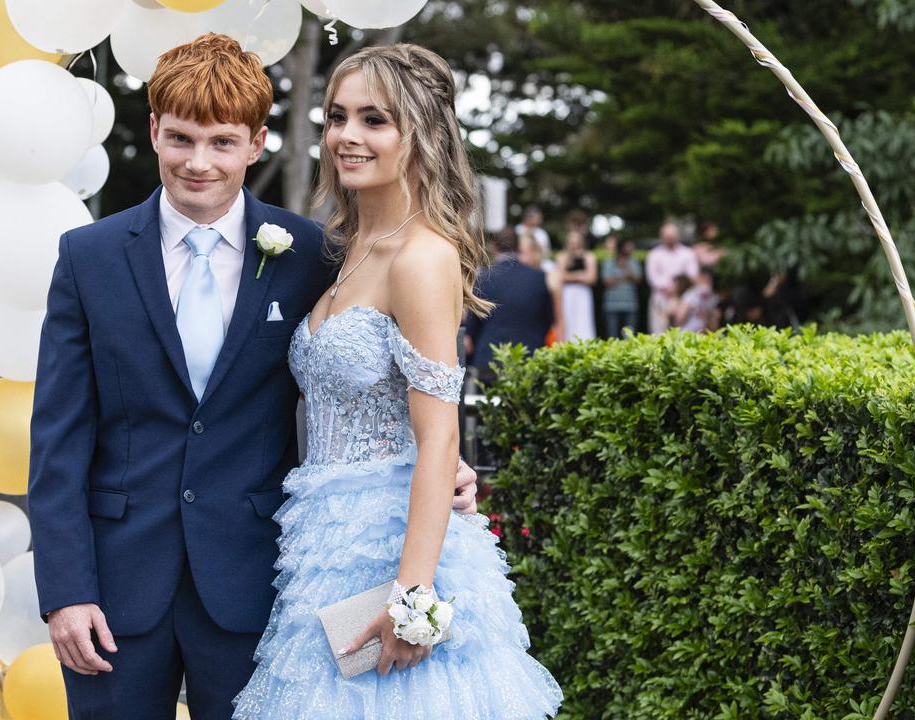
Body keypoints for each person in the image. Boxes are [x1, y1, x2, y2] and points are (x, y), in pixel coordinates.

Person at [27, 34, 481, 720]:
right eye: (179, 139)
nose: (198, 163)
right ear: (153, 131)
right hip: (113, 593)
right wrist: (65, 590)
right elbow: (56, 437)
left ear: (258, 141)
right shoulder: (87, 257)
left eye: (221, 142)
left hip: (261, 583)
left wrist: (442, 459)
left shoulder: (314, 256)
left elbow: (380, 376)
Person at [231, 44, 561, 719]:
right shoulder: (344, 248)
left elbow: (439, 438)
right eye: (337, 117)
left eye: (374, 120)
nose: (347, 136)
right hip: (320, 543)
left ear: (422, 134)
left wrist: (413, 599)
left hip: (395, 546)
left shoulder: (422, 256)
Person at [463, 228, 555, 382]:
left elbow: (472, 325)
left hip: (490, 360)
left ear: (494, 249)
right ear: (519, 247)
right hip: (530, 359)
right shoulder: (539, 278)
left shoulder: (484, 278)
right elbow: (549, 320)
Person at [645, 221, 698, 334]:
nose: (669, 239)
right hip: (661, 299)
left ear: (677, 236)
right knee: (658, 333)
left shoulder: (688, 253)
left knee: (683, 333)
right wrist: (669, 288)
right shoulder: (654, 254)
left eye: (671, 236)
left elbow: (692, 275)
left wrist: (678, 289)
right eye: (666, 237)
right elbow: (652, 277)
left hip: (683, 300)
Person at [555, 227, 597, 341]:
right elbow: (560, 276)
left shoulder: (588, 256)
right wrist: (580, 275)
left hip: (582, 294)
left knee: (583, 320)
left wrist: (570, 276)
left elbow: (592, 277)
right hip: (567, 294)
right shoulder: (562, 256)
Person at [600, 237, 641, 338]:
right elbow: (607, 281)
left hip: (631, 305)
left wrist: (625, 269)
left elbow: (637, 279)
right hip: (611, 305)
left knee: (629, 337)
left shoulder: (634, 262)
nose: (631, 249)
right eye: (628, 247)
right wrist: (626, 277)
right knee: (612, 337)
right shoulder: (608, 262)